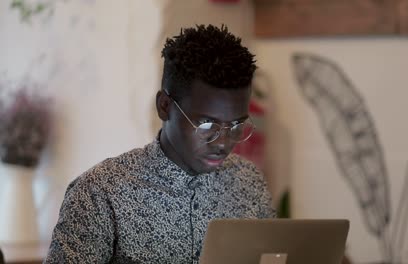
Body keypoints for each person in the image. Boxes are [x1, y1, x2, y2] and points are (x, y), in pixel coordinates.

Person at [44, 24, 275, 263]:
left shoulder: (250, 184)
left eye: (236, 126)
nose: (224, 143)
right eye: (207, 125)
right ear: (164, 106)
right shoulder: (100, 193)